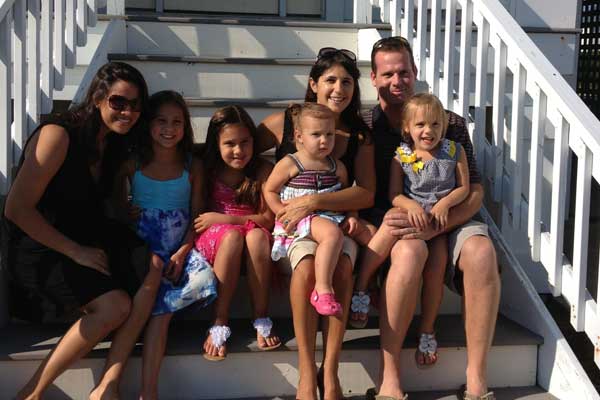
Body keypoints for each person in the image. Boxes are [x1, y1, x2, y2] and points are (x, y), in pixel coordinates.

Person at [0, 62, 160, 400]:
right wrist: (75, 251)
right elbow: (16, 209)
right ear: (98, 97)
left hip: (85, 235)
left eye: (135, 105)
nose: (128, 111)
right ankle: (32, 392)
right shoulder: (58, 135)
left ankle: (108, 384)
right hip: (40, 245)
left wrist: (125, 211)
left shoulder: (115, 142)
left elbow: (102, 199)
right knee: (115, 307)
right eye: (119, 101)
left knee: (154, 265)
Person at [362, 36, 500, 400]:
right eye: (388, 73)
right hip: (396, 221)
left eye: (404, 72)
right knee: (408, 255)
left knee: (482, 253)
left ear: (415, 72)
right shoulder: (363, 124)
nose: (397, 80)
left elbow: (474, 190)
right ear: (373, 77)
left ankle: (477, 381)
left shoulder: (449, 123)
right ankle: (389, 378)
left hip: (448, 215)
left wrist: (442, 222)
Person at [256, 47, 375, 400]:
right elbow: (237, 150)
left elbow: (366, 193)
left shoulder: (357, 136)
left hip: (336, 222)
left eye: (347, 82)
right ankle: (307, 373)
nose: (339, 89)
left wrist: (313, 201)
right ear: (313, 83)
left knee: (341, 268)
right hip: (294, 227)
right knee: (306, 268)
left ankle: (332, 370)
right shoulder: (286, 123)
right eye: (330, 80)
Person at [351, 93, 470, 370]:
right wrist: (411, 206)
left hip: (440, 223)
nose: (428, 131)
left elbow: (464, 187)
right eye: (420, 125)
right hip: (411, 214)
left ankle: (427, 328)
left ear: (443, 125)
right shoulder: (402, 155)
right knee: (388, 227)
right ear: (407, 128)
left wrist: (445, 203)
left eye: (435, 125)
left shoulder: (454, 151)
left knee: (437, 268)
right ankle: (362, 286)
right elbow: (394, 194)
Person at [112, 90, 217, 399]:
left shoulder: (191, 166)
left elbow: (196, 216)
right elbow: (116, 204)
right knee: (157, 305)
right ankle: (149, 392)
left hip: (179, 248)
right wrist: (125, 208)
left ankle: (148, 391)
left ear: (185, 127)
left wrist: (184, 251)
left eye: (177, 122)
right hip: (145, 249)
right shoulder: (133, 163)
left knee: (197, 283)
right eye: (161, 121)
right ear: (148, 124)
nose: (169, 129)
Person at [265, 103, 370, 317]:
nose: (324, 140)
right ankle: (322, 289)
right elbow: (270, 190)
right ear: (299, 136)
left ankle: (369, 288)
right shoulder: (290, 163)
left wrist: (352, 215)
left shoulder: (337, 166)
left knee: (372, 236)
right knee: (332, 235)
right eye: (316, 134)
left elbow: (346, 195)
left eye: (329, 134)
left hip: (330, 214)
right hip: (302, 216)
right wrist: (281, 213)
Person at [193, 105, 281, 361]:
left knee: (255, 236)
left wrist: (226, 218)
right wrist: (222, 224)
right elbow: (198, 216)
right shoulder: (207, 170)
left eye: (245, 142)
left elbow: (267, 218)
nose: (239, 151)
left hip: (248, 230)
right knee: (232, 236)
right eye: (230, 143)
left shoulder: (262, 170)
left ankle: (261, 316)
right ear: (216, 144)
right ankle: (219, 321)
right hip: (215, 238)